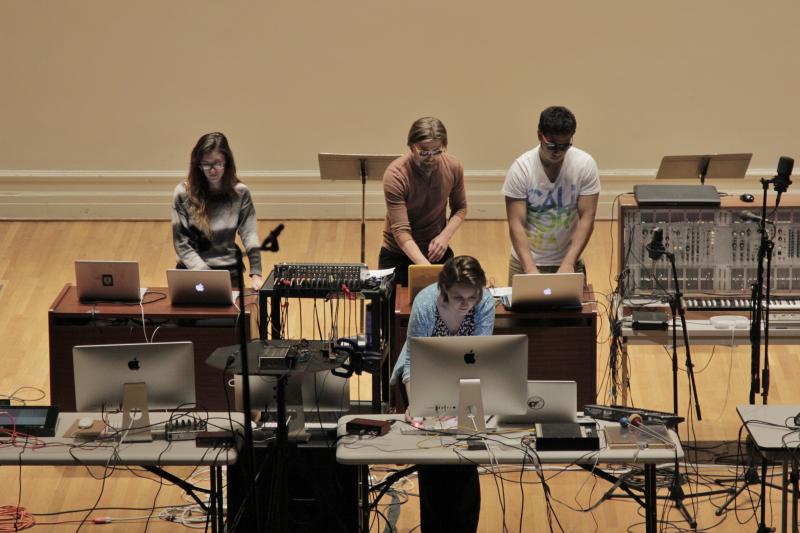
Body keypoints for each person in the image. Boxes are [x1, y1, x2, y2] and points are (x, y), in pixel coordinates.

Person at [390, 255, 495, 533]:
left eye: (471, 297)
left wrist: (465, 400)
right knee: (433, 459)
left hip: (465, 375)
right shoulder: (426, 304)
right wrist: (420, 404)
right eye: (458, 297)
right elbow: (412, 362)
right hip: (424, 376)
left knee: (464, 458)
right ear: (444, 290)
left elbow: (480, 357)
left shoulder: (484, 302)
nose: (466, 304)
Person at [502, 106, 600, 284]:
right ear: (540, 136)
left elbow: (587, 218)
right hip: (525, 260)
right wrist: (530, 268)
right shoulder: (521, 169)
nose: (558, 151)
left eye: (565, 146)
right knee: (520, 312)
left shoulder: (585, 165)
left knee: (575, 311)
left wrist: (569, 263)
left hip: (569, 259)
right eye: (552, 145)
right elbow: (516, 224)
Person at [379, 117, 467, 286]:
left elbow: (460, 208)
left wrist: (444, 237)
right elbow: (401, 231)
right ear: (412, 147)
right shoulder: (395, 175)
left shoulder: (454, 167)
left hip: (435, 250)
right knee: (393, 310)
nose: (431, 157)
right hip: (398, 253)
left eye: (437, 151)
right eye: (424, 152)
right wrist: (427, 269)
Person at [171, 132, 264, 290]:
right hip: (192, 273)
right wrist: (209, 278)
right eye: (206, 164)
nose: (212, 170)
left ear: (227, 162)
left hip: (229, 273)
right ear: (198, 165)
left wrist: (256, 272)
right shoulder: (182, 193)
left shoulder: (240, 193)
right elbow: (182, 244)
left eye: (217, 163)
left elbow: (249, 234)